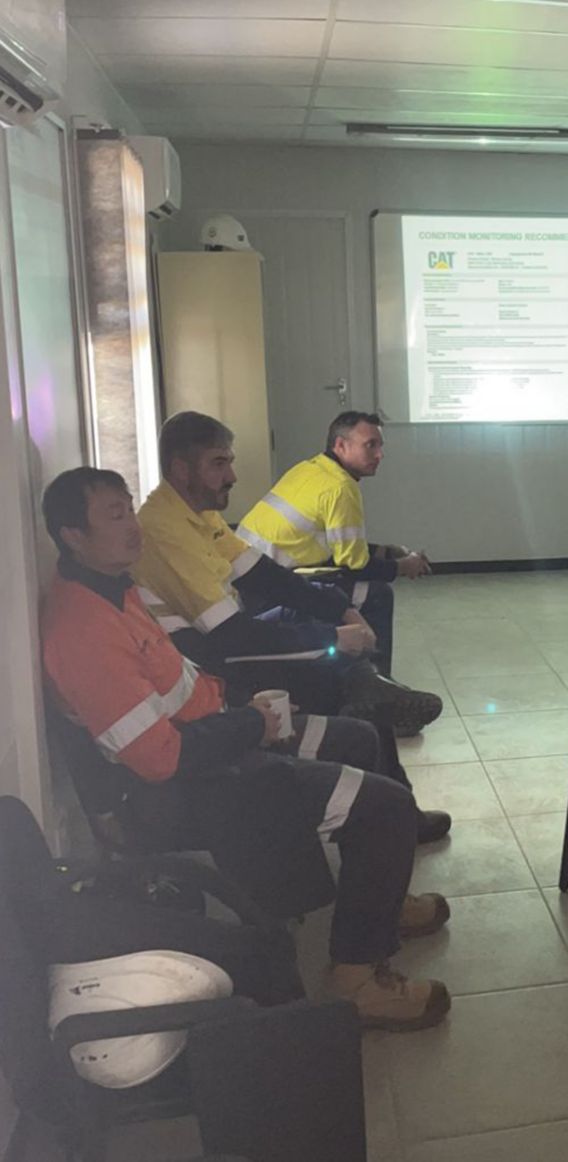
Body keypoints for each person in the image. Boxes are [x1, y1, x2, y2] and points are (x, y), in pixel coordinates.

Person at [40, 467, 452, 1031]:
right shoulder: (84, 627)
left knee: (358, 736)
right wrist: (251, 728)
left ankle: (380, 900)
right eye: (115, 514)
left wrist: (244, 710)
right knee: (385, 807)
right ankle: (356, 980)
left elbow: (183, 682)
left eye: (129, 507)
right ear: (73, 535)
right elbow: (159, 759)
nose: (133, 526)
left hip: (220, 736)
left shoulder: (115, 589)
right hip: (196, 785)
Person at [134, 412, 444, 740]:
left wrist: (340, 608)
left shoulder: (196, 512)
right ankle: (369, 690)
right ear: (181, 470)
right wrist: (333, 637)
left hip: (246, 608)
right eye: (219, 464)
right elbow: (229, 637)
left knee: (319, 609)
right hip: (210, 657)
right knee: (339, 634)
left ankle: (371, 688)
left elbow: (262, 574)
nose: (232, 476)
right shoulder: (165, 530)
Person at [237, 411, 432, 674]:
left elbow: (332, 542)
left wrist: (387, 552)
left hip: (248, 578)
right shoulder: (340, 488)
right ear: (340, 446)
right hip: (268, 591)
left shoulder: (310, 468)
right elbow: (355, 566)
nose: (380, 455)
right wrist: (402, 566)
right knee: (377, 595)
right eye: (370, 445)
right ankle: (376, 683)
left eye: (380, 445)